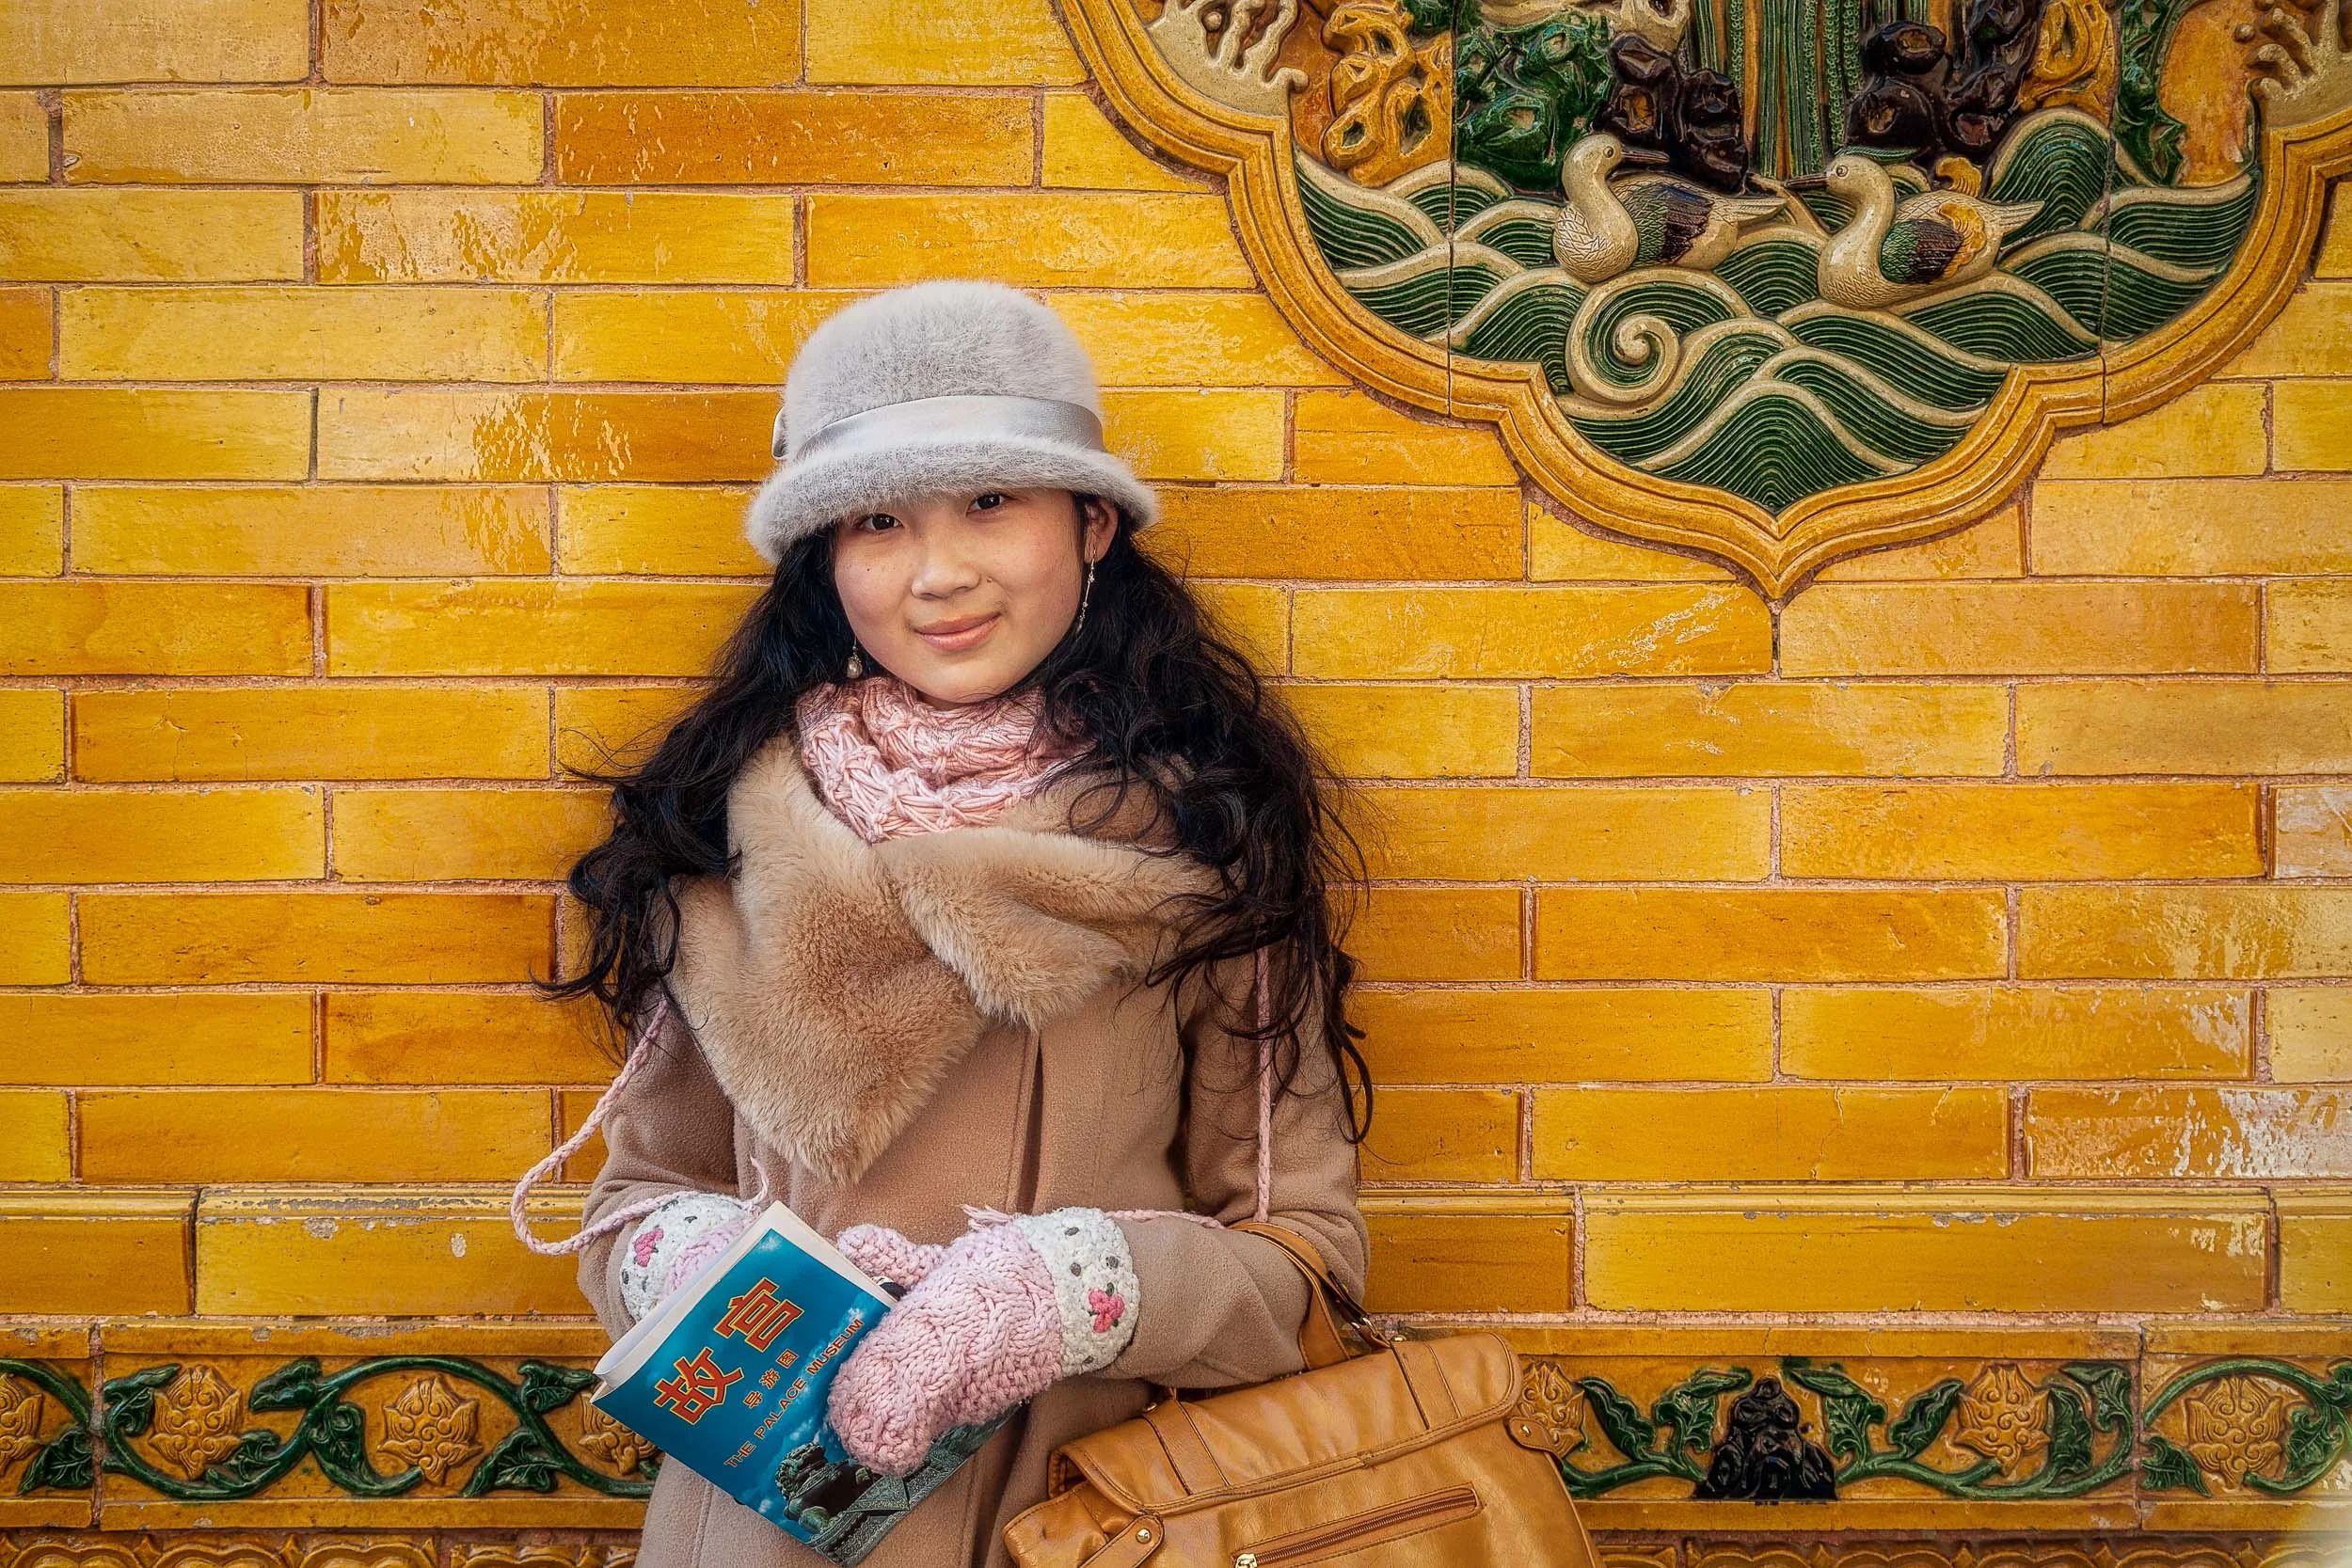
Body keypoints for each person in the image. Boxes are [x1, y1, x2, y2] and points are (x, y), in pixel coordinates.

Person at [530, 278, 1375, 1568]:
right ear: (827, 556)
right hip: (765, 1531)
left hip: (1087, 1524)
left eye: (991, 500)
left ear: (1089, 523)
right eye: (878, 520)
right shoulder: (722, 830)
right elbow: (633, 1201)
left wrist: (1074, 1291)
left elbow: (1305, 1267)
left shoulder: (1205, 842)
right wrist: (698, 1262)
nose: (940, 573)